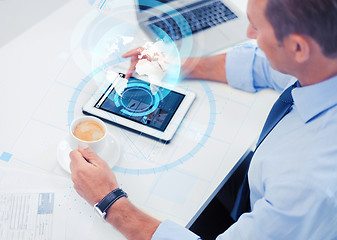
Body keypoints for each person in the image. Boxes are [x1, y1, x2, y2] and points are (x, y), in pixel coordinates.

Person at [69, 0, 337, 239]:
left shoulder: (309, 186)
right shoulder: (323, 62)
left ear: (298, 47)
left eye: (256, 27)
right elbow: (264, 65)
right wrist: (175, 64)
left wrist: (109, 202)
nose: (248, 34)